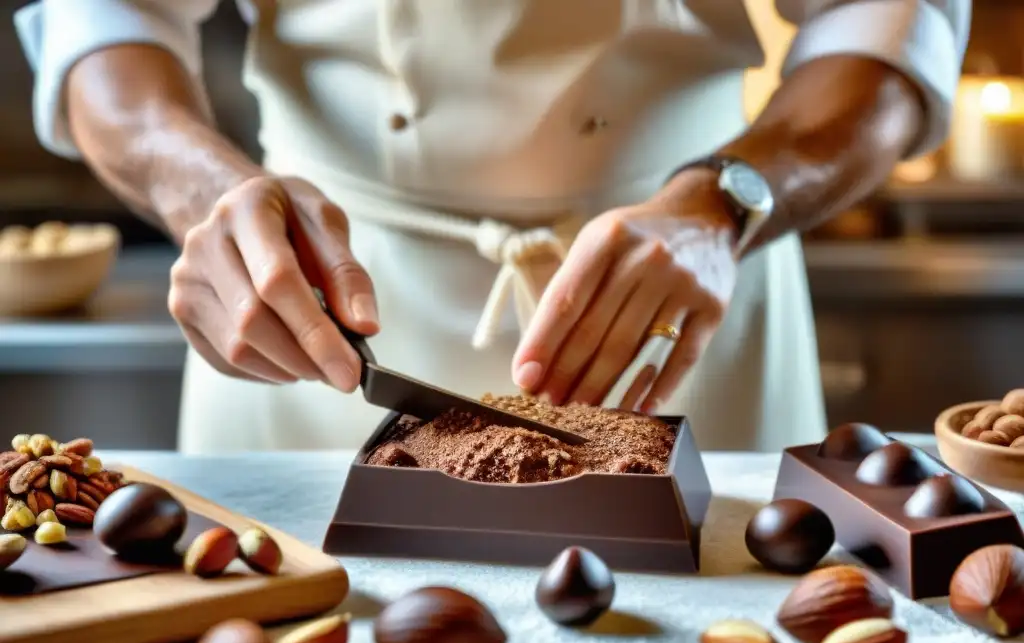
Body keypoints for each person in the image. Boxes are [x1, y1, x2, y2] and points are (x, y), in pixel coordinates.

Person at [16, 1, 969, 454]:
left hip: (684, 292)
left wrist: (725, 203)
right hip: (310, 308)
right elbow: (106, 26)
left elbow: (885, 21)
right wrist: (209, 201)